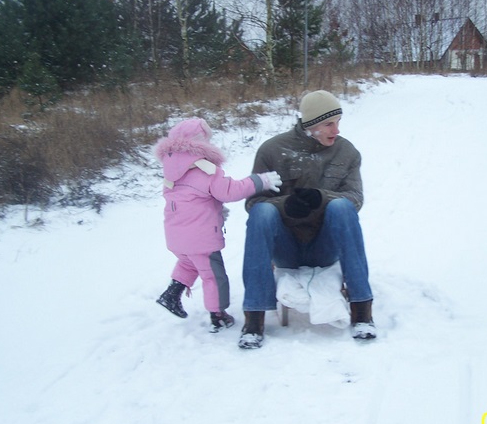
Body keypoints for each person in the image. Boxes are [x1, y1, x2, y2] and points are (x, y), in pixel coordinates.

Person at [238, 90, 376, 349]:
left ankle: (362, 310)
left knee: (343, 208)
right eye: (328, 124)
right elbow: (253, 202)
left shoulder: (346, 152)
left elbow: (355, 198)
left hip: (324, 247)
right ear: (311, 124)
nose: (335, 130)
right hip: (286, 248)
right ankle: (254, 317)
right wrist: (285, 205)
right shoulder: (272, 150)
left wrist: (320, 197)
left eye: (338, 122)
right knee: (262, 212)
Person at [154, 118, 282, 332]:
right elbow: (230, 191)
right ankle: (218, 315)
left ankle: (171, 294)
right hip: (201, 239)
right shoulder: (205, 170)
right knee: (213, 276)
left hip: (177, 237)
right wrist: (260, 181)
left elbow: (192, 199)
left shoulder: (172, 172)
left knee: (188, 263)